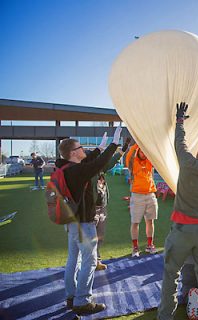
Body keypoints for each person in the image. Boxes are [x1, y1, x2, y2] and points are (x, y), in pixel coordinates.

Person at [157, 102, 198, 320]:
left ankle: (165, 316)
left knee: (170, 275)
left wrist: (180, 120)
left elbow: (179, 143)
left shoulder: (188, 164)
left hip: (183, 231)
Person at [56, 126, 122, 315]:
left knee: (73, 260)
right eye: (80, 148)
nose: (84, 149)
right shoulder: (77, 171)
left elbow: (90, 161)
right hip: (84, 223)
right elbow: (97, 165)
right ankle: (83, 301)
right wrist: (114, 144)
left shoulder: (66, 167)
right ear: (73, 153)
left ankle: (71, 296)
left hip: (72, 222)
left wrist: (100, 148)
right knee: (89, 261)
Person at [91, 135, 132, 270]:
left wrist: (124, 147)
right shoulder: (87, 172)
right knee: (89, 240)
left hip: (102, 208)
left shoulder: (102, 169)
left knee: (99, 237)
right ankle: (88, 263)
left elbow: (114, 159)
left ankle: (97, 261)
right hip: (90, 211)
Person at [125, 143, 158, 257]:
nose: (143, 154)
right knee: (135, 222)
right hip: (137, 195)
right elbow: (129, 156)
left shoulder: (149, 162)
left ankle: (150, 245)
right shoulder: (133, 163)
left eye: (145, 152)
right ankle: (135, 248)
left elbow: (155, 154)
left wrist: (146, 144)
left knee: (150, 221)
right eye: (141, 151)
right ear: (138, 151)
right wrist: (137, 143)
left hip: (150, 195)